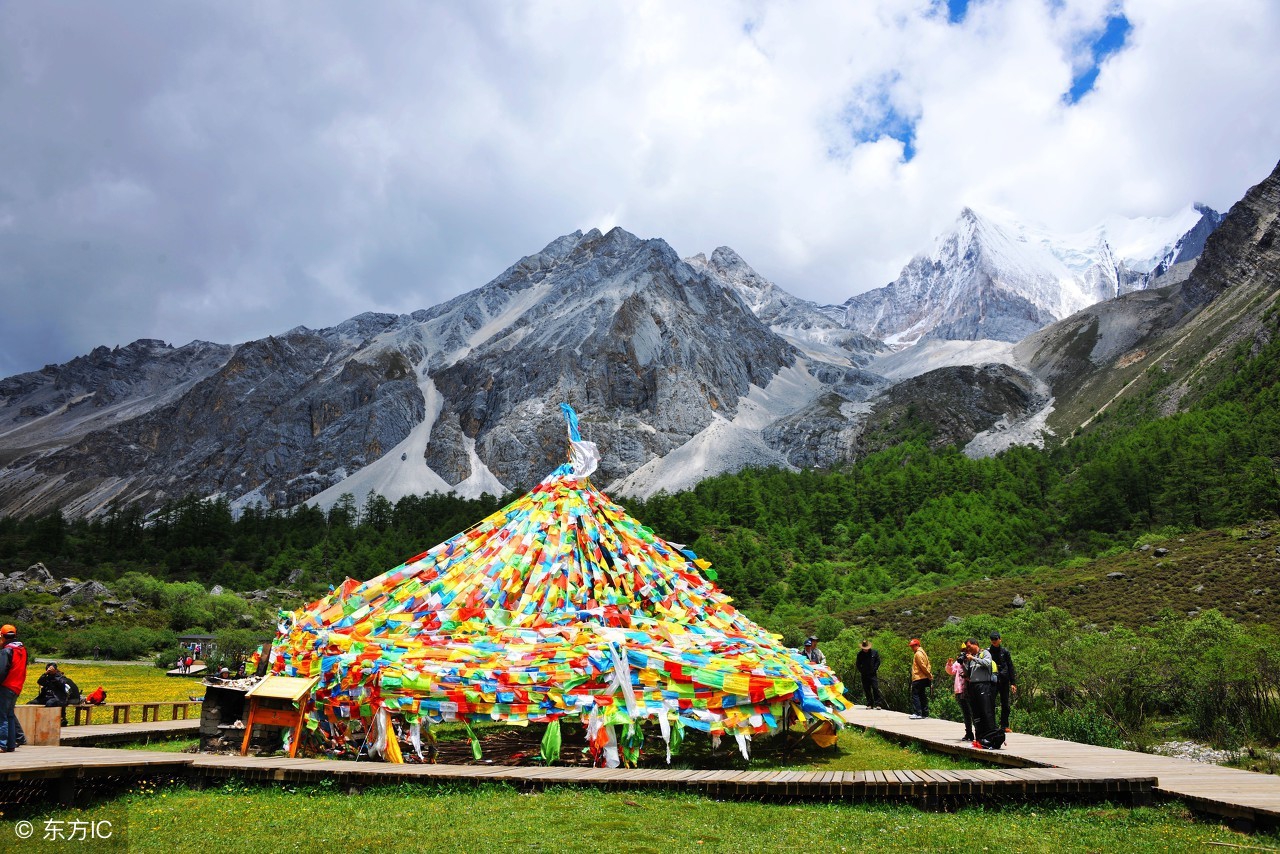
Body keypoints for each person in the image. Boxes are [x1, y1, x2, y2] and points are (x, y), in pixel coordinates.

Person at [962, 638, 1003, 750]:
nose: (968, 649)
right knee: (976, 713)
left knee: (986, 711)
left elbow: (988, 663)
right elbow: (967, 673)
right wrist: (963, 663)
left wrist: (973, 658)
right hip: (973, 686)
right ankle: (979, 739)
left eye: (969, 646)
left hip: (984, 685)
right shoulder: (970, 657)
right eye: (967, 647)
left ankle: (990, 738)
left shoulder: (984, 653)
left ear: (976, 644)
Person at [0, 624, 29, 751]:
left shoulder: (7, 650)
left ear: (2, 636)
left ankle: (2, 744)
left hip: (6, 685)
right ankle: (11, 744)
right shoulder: (22, 649)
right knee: (9, 714)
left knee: (2, 716)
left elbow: (1, 671)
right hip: (16, 686)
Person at [988, 630, 1018, 733]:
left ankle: (1004, 726)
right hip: (992, 680)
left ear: (1000, 639)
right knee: (990, 703)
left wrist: (1013, 683)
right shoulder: (987, 652)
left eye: (996, 639)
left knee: (1005, 704)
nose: (994, 641)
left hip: (1004, 680)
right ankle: (992, 725)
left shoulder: (1005, 652)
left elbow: (1010, 667)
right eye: (992, 639)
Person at [946, 642, 974, 742]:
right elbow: (951, 671)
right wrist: (949, 664)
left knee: (973, 712)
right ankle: (969, 733)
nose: (963, 653)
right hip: (960, 690)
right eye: (962, 651)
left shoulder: (972, 660)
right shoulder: (959, 662)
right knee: (966, 713)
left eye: (965, 651)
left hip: (970, 690)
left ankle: (979, 733)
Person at [855, 640, 885, 709]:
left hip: (873, 674)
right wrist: (861, 671)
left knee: (875, 688)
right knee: (867, 689)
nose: (865, 650)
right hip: (864, 674)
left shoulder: (874, 652)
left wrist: (875, 668)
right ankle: (869, 704)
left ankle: (878, 704)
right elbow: (858, 664)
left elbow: (878, 661)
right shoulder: (860, 654)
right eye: (864, 649)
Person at [908, 638, 932, 719]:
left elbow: (922, 666)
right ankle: (925, 714)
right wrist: (928, 674)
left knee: (915, 695)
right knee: (922, 695)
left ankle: (918, 713)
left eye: (913, 646)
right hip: (923, 678)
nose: (912, 648)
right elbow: (928, 665)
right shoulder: (924, 653)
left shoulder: (918, 654)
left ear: (917, 645)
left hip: (918, 677)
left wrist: (929, 674)